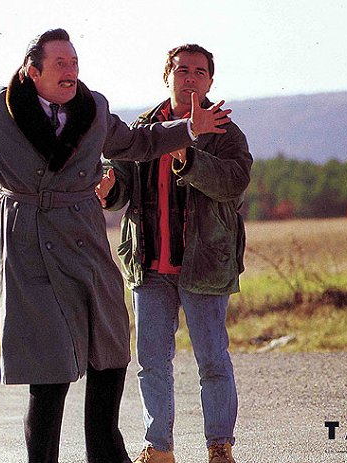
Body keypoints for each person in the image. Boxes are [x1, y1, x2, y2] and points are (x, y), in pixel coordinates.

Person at [0, 29, 231, 463]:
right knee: (47, 365)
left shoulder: (94, 109)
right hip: (28, 239)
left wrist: (187, 128)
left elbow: (139, 143)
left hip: (83, 234)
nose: (71, 72)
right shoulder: (1, 108)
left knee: (109, 347)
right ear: (32, 71)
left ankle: (107, 455)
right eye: (60, 64)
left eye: (74, 63)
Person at [97, 44, 252, 463]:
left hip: (203, 265)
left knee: (212, 361)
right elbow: (122, 185)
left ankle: (220, 447)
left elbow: (233, 184)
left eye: (199, 72)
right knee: (152, 362)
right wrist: (110, 192)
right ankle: (159, 449)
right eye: (181, 70)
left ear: (210, 82)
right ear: (167, 76)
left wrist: (190, 159)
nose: (189, 78)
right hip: (149, 265)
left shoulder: (224, 132)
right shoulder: (145, 128)